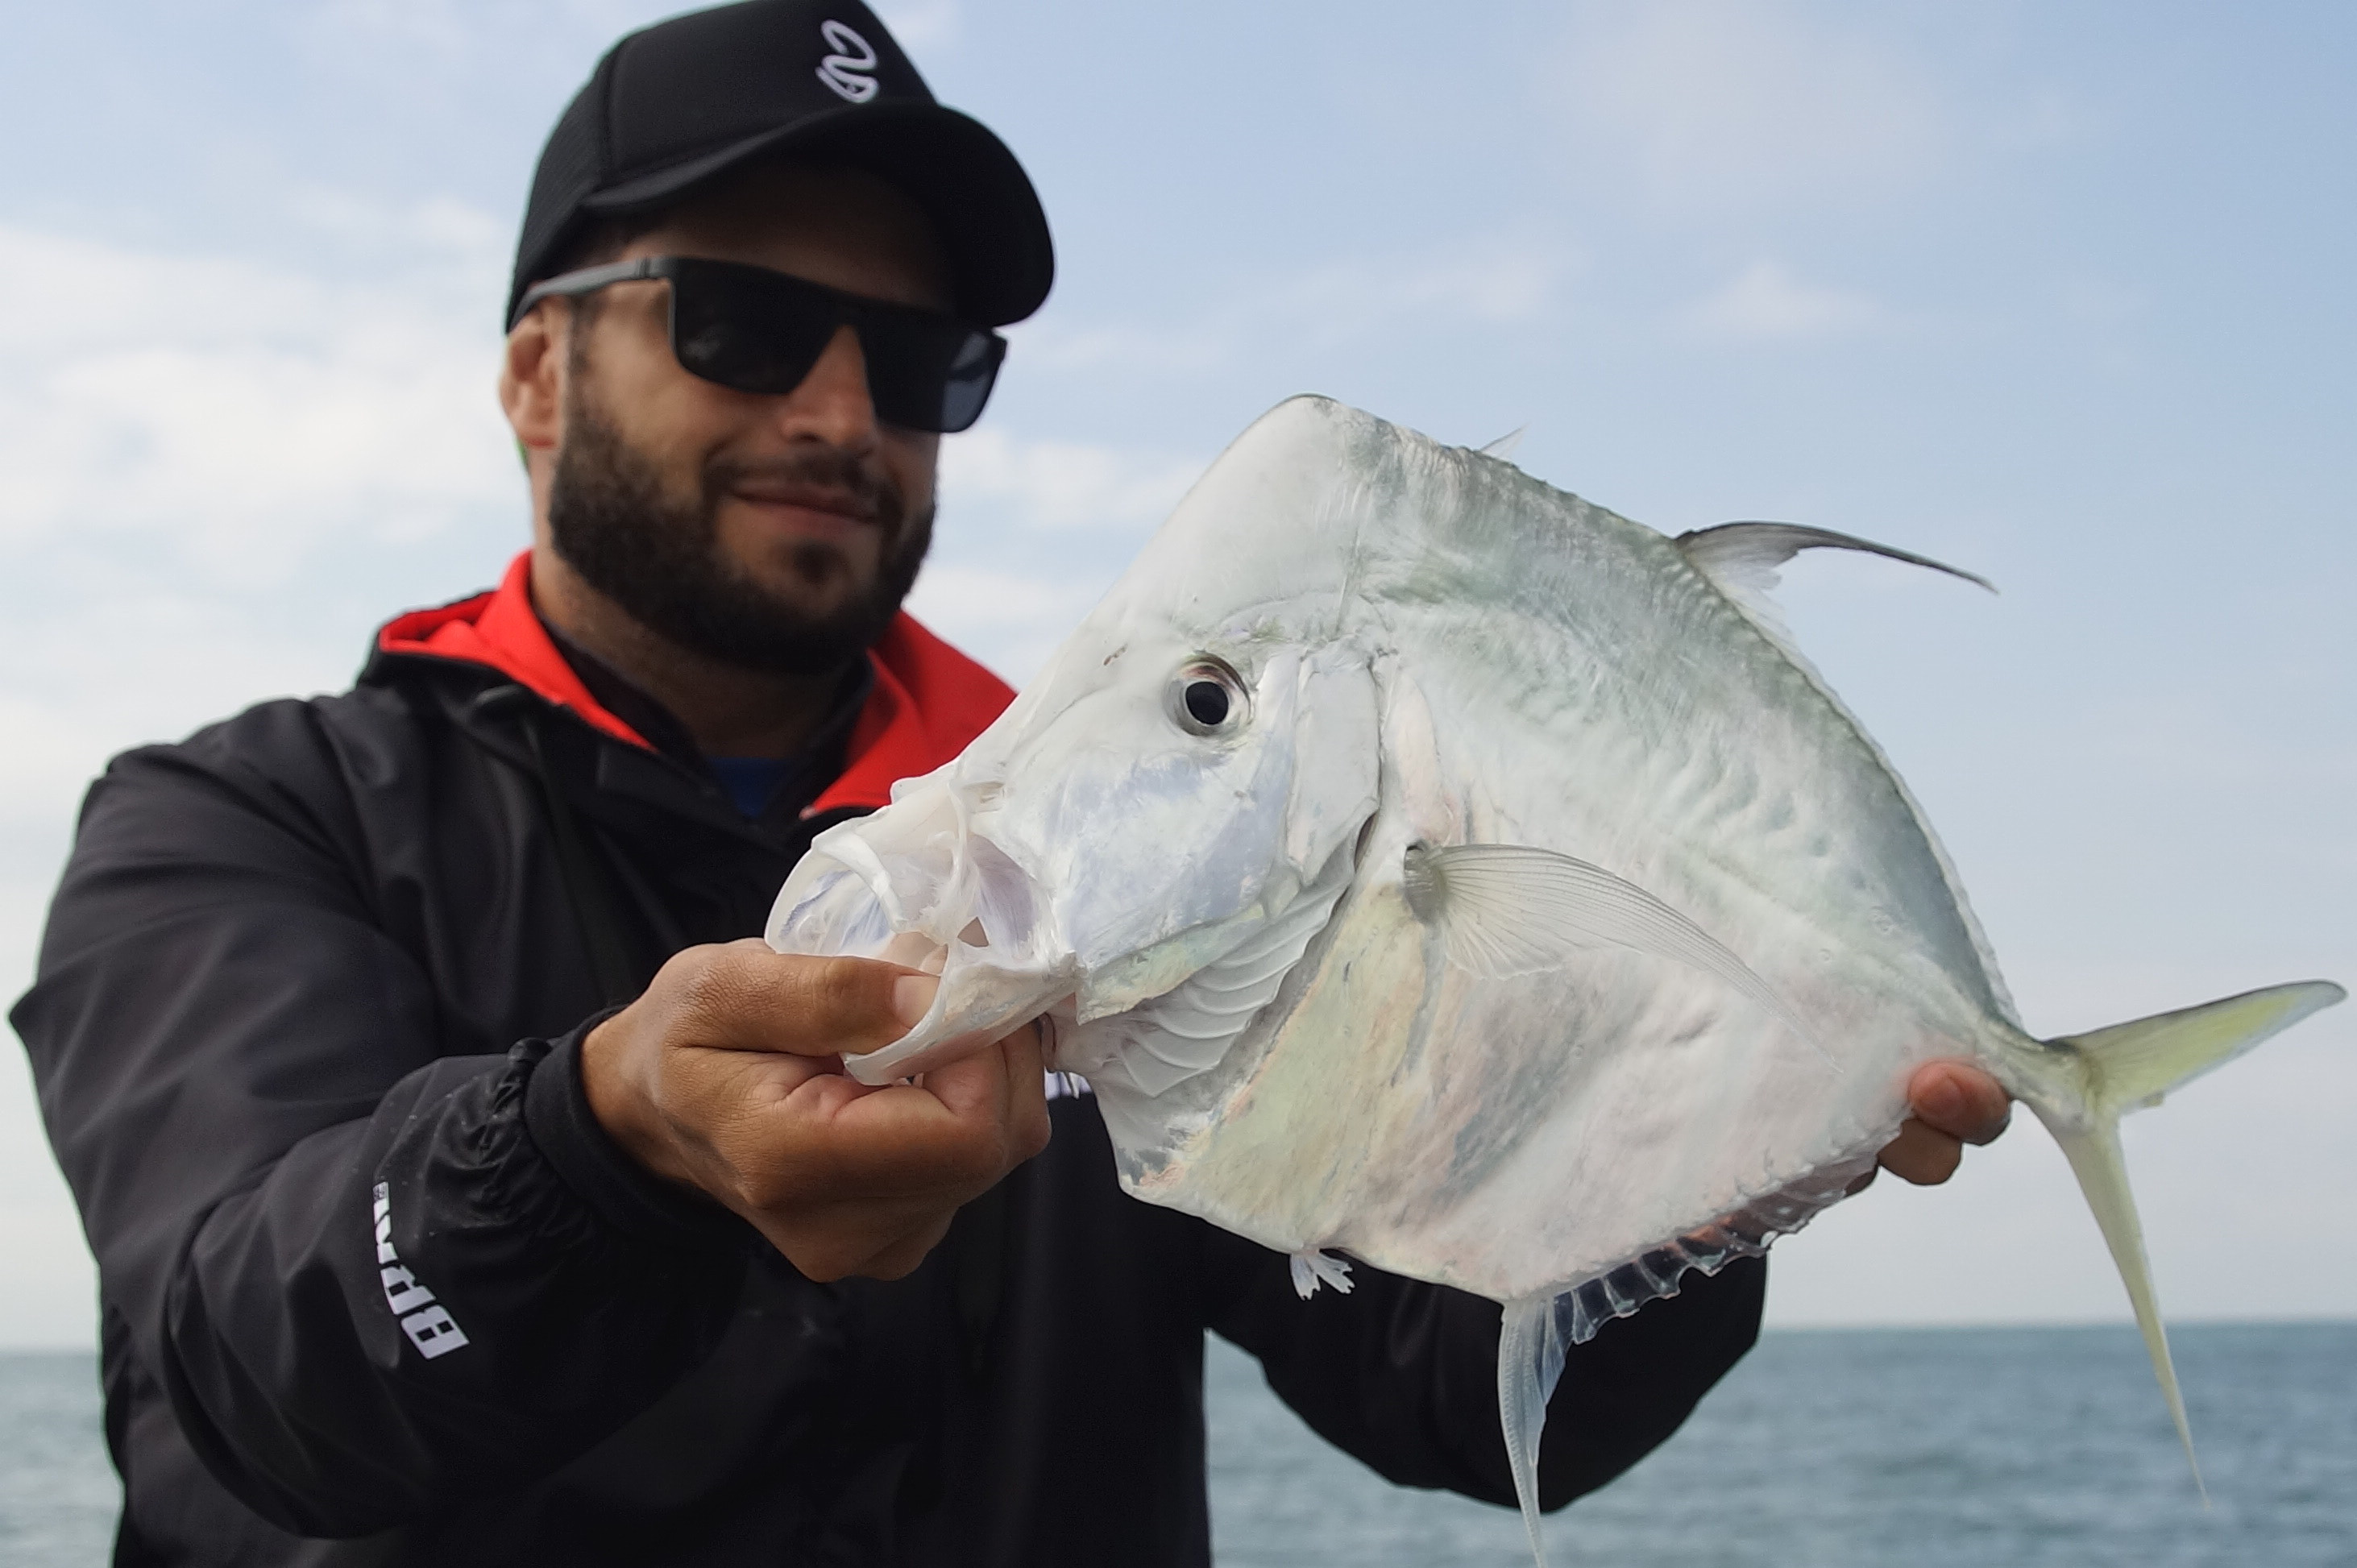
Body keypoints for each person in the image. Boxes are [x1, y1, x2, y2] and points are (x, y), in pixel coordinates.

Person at [14, 3, 2011, 1564]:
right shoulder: (240, 822)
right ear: (537, 371)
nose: (836, 411)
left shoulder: (1111, 855)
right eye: (743, 321)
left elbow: (1450, 1390)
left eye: (920, 360)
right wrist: (602, 1146)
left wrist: (1709, 1132)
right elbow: (251, 1366)